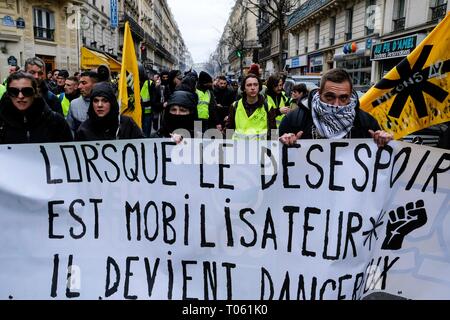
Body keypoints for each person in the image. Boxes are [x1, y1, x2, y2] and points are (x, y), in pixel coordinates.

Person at [279, 68, 393, 148]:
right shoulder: (293, 119)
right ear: (319, 93)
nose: (336, 105)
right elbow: (272, 165)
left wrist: (385, 143)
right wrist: (283, 143)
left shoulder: (366, 123)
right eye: (329, 97)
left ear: (351, 96)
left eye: (343, 98)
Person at [0, 71, 72, 144]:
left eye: (27, 91)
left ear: (35, 92)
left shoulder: (56, 122)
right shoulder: (1, 123)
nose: (20, 96)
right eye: (14, 91)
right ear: (8, 94)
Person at [75, 82, 144, 141]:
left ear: (112, 103)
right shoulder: (83, 130)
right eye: (96, 101)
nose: (99, 105)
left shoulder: (127, 124)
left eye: (105, 100)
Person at [226, 73, 278, 140]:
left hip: (261, 149)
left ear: (259, 87)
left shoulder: (267, 107)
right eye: (249, 85)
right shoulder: (235, 106)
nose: (252, 88)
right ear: (244, 88)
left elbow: (273, 133)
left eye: (255, 85)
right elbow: (229, 129)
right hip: (239, 148)